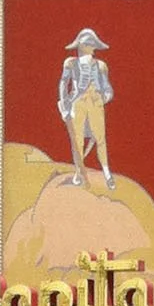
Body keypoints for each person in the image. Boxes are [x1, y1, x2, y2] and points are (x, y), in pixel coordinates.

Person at [58, 28, 115, 188]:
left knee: (100, 138)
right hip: (78, 102)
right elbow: (63, 83)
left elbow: (107, 87)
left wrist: (105, 97)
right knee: (77, 140)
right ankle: (78, 171)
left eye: (90, 44)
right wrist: (65, 103)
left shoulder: (101, 66)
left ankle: (107, 172)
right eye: (85, 44)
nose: (88, 47)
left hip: (95, 103)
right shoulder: (70, 63)